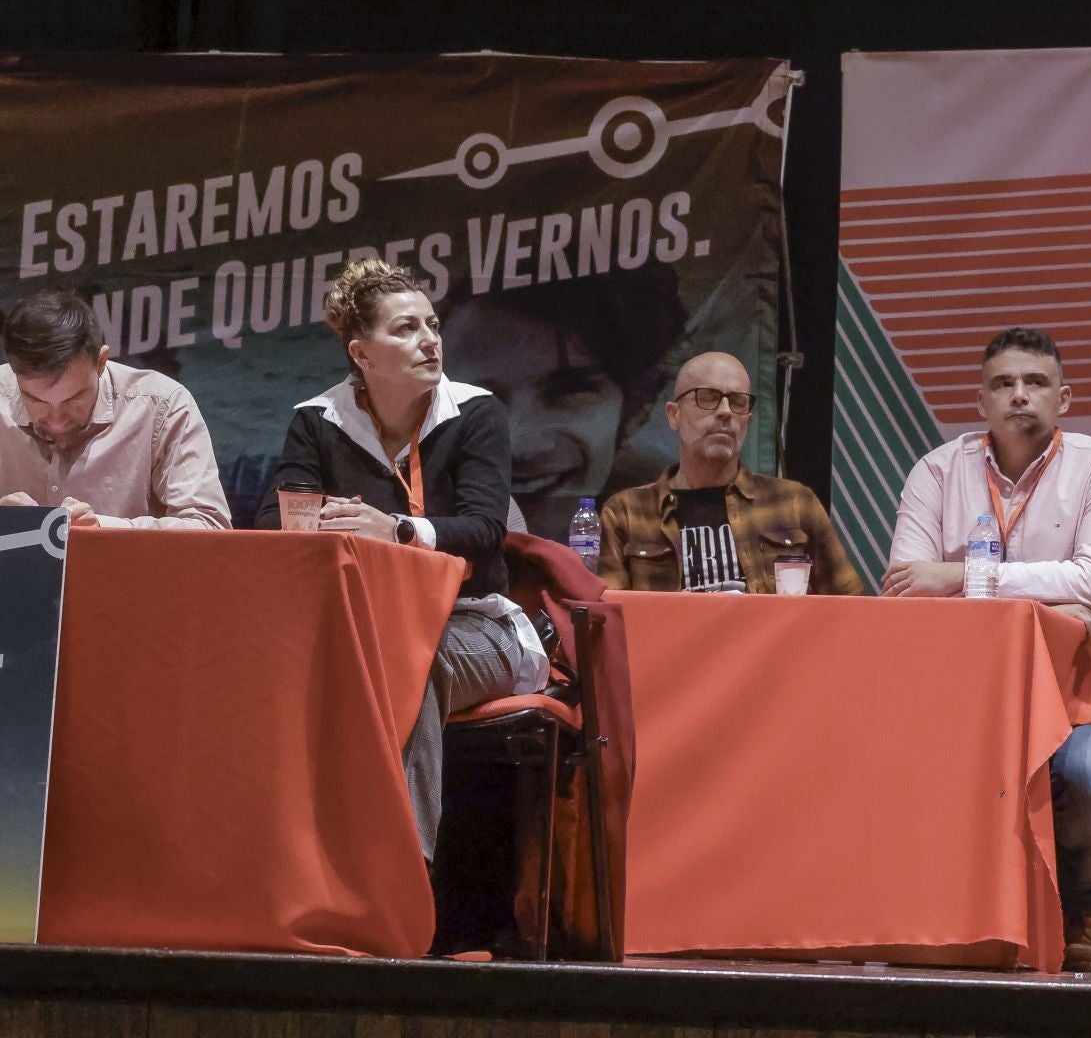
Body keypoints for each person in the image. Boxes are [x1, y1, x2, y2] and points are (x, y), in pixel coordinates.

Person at [257, 259, 548, 859]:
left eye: (432, 325)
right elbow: (274, 524)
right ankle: (290, 862)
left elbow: (485, 530)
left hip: (473, 624)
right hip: (359, 624)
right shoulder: (318, 421)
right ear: (361, 355)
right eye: (406, 329)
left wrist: (394, 531)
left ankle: (399, 873)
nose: (430, 340)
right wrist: (327, 526)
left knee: (414, 662)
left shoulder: (475, 413)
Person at [883, 327, 1091, 972]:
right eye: (1003, 384)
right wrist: (1027, 586)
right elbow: (907, 586)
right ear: (981, 401)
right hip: (959, 687)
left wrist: (960, 577)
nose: (1019, 396)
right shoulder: (937, 471)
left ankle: (1084, 901)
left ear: (1065, 397)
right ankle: (939, 909)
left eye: (1035, 383)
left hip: (1079, 683)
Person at [437, 270, 684, 539]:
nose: (518, 443)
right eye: (478, 395)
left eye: (567, 392)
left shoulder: (673, 524)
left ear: (634, 409)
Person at [597, 350, 864, 595]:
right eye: (708, 398)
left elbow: (850, 606)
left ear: (748, 420)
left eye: (738, 401)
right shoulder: (627, 513)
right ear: (673, 415)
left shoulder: (794, 503)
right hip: (672, 647)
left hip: (772, 648)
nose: (725, 412)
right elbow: (609, 619)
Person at [0, 289, 229, 528]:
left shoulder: (162, 406)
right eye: (36, 400)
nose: (57, 421)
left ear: (101, 362)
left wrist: (105, 530)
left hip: (128, 566)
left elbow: (209, 527)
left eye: (73, 399)